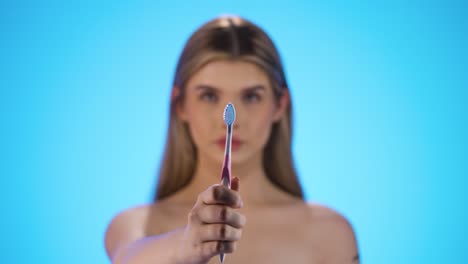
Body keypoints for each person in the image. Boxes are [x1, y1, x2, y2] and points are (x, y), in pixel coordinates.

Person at [104, 15, 359, 264]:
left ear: (280, 105)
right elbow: (128, 258)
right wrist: (187, 245)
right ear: (180, 105)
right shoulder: (134, 226)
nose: (232, 120)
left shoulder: (331, 233)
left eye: (251, 97)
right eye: (208, 96)